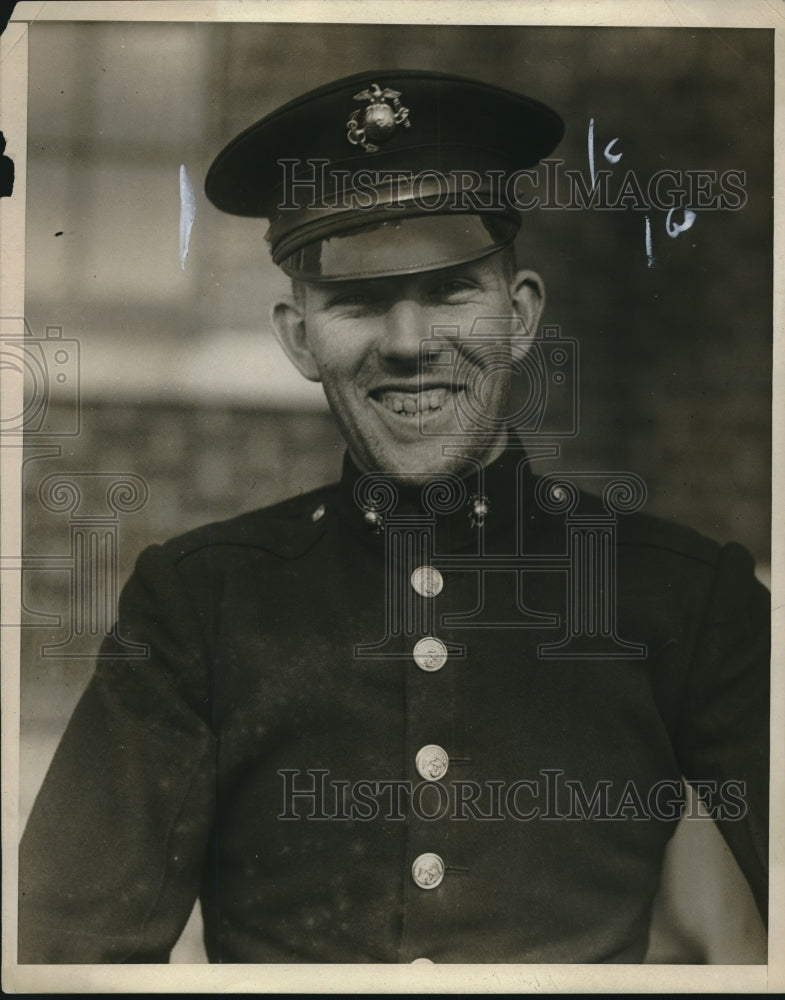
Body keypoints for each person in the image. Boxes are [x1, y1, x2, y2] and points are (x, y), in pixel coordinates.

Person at [18, 69, 769, 964]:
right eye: (360, 302)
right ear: (300, 338)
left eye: (452, 289)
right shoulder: (199, 604)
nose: (410, 344)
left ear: (520, 315)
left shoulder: (682, 599)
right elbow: (60, 955)